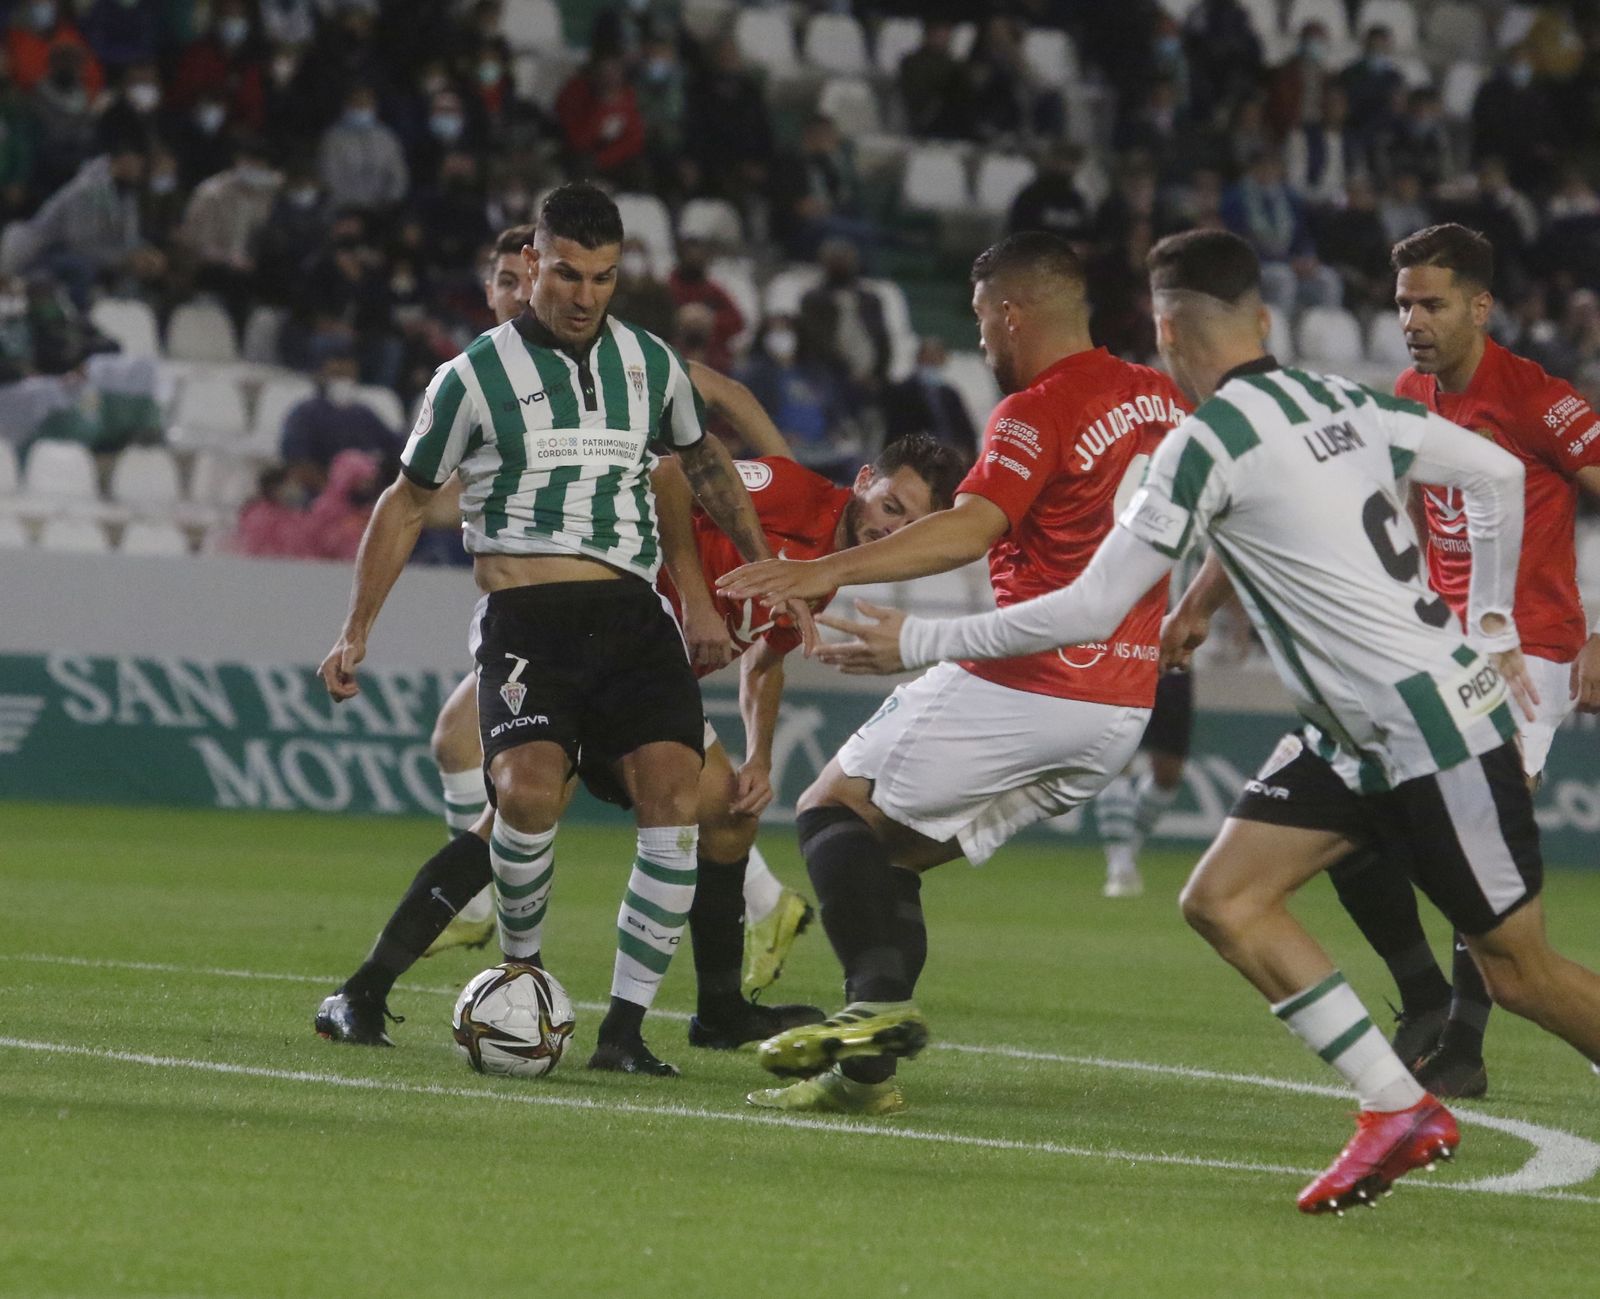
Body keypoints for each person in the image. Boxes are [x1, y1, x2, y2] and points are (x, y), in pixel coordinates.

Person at [814, 227, 1600, 1214]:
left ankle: (1407, 1097)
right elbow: (1487, 473)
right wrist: (1488, 620)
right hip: (1354, 733)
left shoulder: (1203, 445)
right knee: (1225, 898)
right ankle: (1396, 1109)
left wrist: (918, 642)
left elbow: (1093, 610)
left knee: (1518, 974)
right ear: (1260, 319)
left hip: (1430, 729)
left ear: (1165, 329)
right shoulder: (1335, 397)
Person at [314, 182, 803, 1078]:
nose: (584, 295)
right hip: (528, 616)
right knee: (529, 794)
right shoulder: (471, 377)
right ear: (531, 264)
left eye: (604, 277)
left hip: (630, 615)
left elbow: (700, 461)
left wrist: (766, 562)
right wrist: (356, 630)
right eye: (568, 273)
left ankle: (624, 1032)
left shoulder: (651, 364)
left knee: (677, 795)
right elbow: (406, 499)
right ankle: (525, 976)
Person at [718, 231, 1190, 1115]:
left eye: (981, 320)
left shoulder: (1035, 410)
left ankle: (875, 1010)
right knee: (888, 850)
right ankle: (866, 1078)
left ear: (1011, 313)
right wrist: (1193, 607)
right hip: (1119, 708)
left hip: (1030, 680)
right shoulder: (1162, 399)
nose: (980, 340)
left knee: (829, 809)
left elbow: (971, 527)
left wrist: (825, 570)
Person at [1320, 224, 1600, 1100]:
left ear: (1480, 305)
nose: (1411, 319)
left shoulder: (1540, 401)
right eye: (1403, 302)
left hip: (1529, 654)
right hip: (1433, 647)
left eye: (1431, 302)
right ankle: (1425, 1003)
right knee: (1339, 814)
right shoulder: (1409, 392)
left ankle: (1464, 1048)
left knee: (1470, 843)